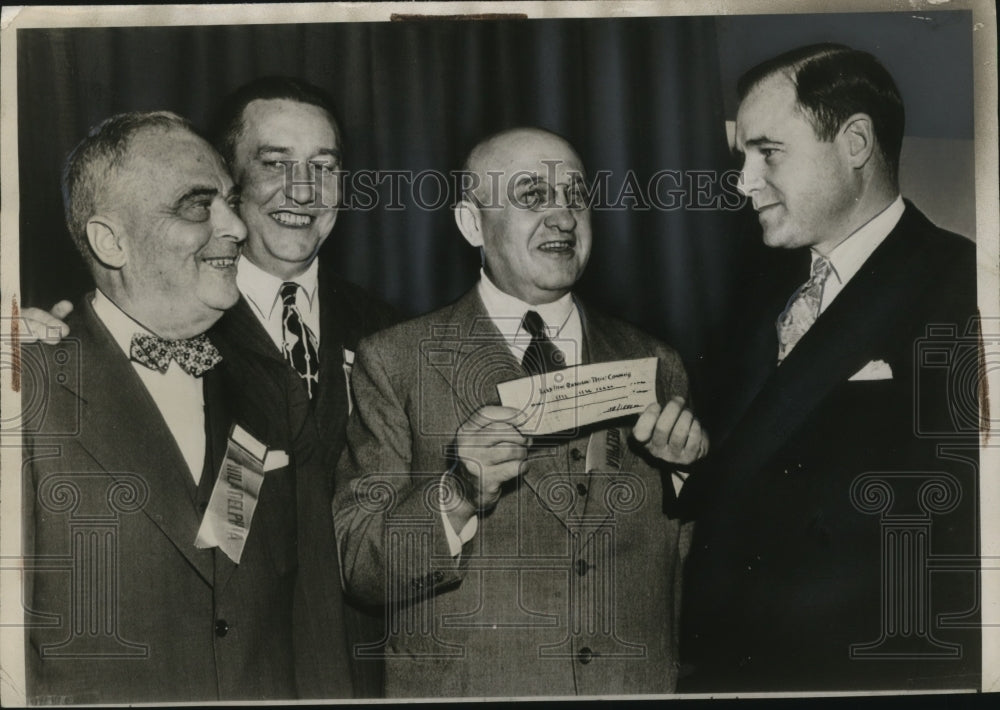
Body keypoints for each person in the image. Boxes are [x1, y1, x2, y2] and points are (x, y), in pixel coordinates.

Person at [20, 77, 398, 698]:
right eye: (199, 205)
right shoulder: (25, 383)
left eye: (228, 201)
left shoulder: (258, 390)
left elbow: (233, 564)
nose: (236, 227)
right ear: (109, 240)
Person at [332, 127, 708, 697]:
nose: (563, 218)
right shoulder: (394, 362)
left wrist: (686, 473)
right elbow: (357, 563)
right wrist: (457, 494)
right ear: (470, 223)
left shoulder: (656, 361)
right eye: (533, 196)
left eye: (576, 196)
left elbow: (693, 560)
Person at [679, 44, 980, 692]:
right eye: (742, 157)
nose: (743, 181)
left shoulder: (966, 289)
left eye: (768, 152)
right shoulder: (760, 296)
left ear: (855, 142)